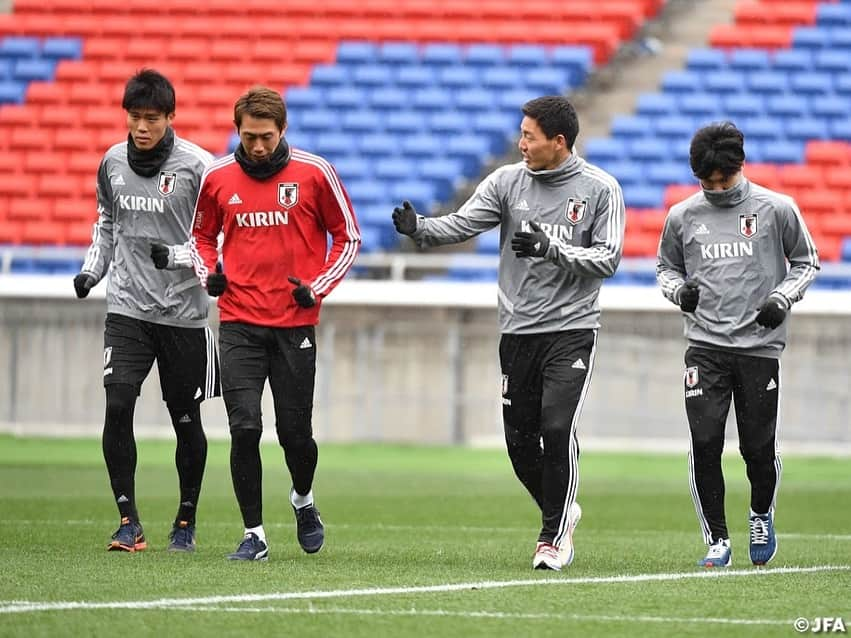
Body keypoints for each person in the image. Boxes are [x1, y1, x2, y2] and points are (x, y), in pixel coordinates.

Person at [392, 95, 625, 571]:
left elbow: (608, 258)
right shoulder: (506, 181)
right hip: (517, 331)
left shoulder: (600, 189)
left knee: (556, 428)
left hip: (571, 329)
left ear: (558, 143)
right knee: (519, 444)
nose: (520, 143)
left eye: (529, 136)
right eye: (521, 133)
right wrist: (421, 229)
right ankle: (562, 507)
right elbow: (463, 223)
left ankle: (552, 538)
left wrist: (551, 247)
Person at [190, 86, 361, 561]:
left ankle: (303, 499)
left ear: (282, 130)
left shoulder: (315, 173)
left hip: (294, 324)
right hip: (239, 322)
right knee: (244, 428)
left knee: (295, 435)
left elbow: (348, 237)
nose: (259, 146)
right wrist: (211, 276)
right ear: (236, 132)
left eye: (266, 136)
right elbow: (200, 237)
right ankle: (255, 534)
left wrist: (317, 287)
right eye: (249, 137)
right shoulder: (218, 177)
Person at [656, 121, 819, 568]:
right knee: (705, 441)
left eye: (722, 180)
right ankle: (717, 539)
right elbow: (665, 269)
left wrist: (781, 298)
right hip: (704, 347)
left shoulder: (776, 209)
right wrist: (679, 293)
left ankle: (761, 514)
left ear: (739, 167)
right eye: (706, 181)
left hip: (758, 348)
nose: (715, 188)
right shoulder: (683, 216)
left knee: (756, 448)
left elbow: (807, 262)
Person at [72, 69, 220, 553]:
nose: (141, 127)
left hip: (183, 315)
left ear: (170, 117)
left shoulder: (199, 167)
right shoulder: (112, 163)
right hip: (128, 308)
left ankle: (185, 520)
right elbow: (107, 221)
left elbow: (218, 237)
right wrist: (92, 271)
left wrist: (178, 257)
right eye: (134, 117)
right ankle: (128, 520)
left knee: (185, 418)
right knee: (117, 405)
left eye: (151, 118)